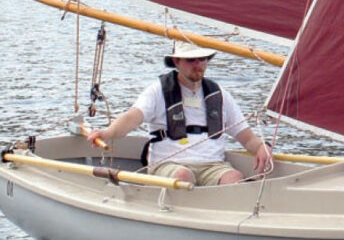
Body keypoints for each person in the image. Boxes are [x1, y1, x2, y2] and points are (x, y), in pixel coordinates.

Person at [86, 40, 272, 186]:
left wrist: (263, 147)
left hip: (212, 165)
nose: (197, 64)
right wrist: (107, 133)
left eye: (202, 59)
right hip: (169, 165)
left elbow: (247, 139)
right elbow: (131, 118)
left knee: (235, 178)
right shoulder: (158, 90)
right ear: (176, 61)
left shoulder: (220, 95)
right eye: (190, 60)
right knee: (183, 177)